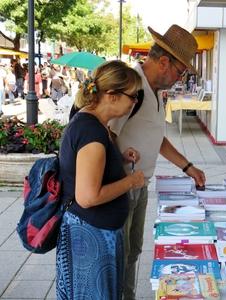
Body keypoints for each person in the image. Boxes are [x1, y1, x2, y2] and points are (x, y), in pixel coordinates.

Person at [108, 24, 206, 300]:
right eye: (180, 71)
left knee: (133, 249)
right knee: (121, 252)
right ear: (164, 62)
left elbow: (157, 138)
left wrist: (188, 167)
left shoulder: (155, 91)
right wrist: (123, 175)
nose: (179, 78)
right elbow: (106, 135)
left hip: (139, 185)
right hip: (121, 187)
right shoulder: (132, 88)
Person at [56, 60, 145, 299]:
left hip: (96, 231)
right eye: (133, 96)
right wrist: (131, 181)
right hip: (92, 234)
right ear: (112, 96)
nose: (135, 103)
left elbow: (93, 168)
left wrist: (121, 159)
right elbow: (87, 196)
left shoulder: (94, 124)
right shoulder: (92, 132)